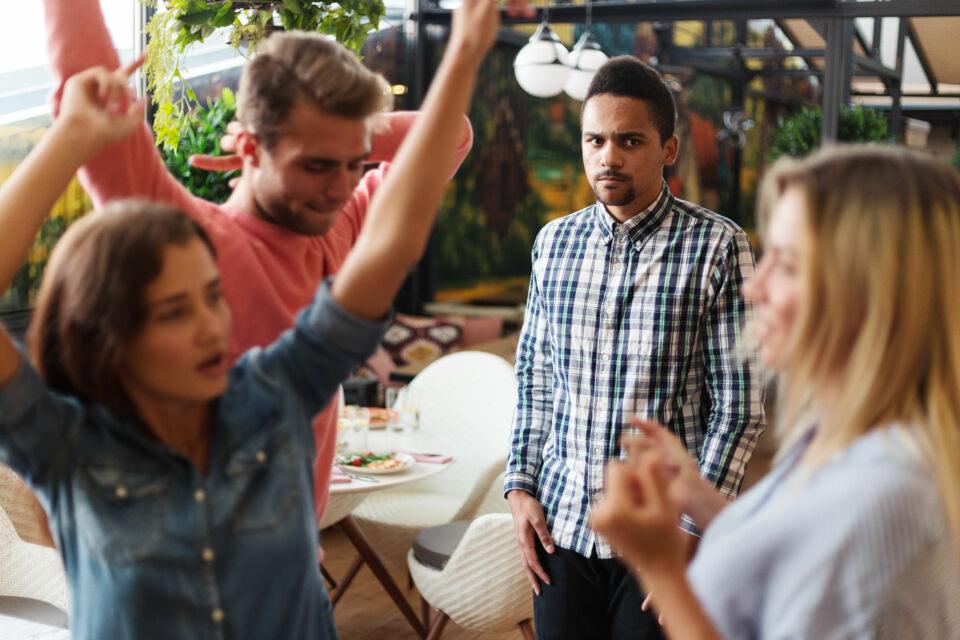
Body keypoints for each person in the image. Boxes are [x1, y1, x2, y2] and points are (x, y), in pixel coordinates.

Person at [0, 0, 502, 636]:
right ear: (249, 145)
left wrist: (337, 136)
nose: (340, 184)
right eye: (317, 164)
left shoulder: (334, 249)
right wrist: (70, 136)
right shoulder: (179, 239)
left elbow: (449, 139)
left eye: (354, 164)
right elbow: (88, 81)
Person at [591, 145, 960, 639]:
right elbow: (796, 560)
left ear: (871, 295)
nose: (752, 289)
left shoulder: (883, 499)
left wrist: (659, 566)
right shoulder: (847, 438)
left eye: (786, 265)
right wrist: (696, 494)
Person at [504, 55, 765, 639]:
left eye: (629, 140)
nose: (608, 157)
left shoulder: (718, 247)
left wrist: (695, 531)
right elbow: (534, 377)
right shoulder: (554, 243)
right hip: (563, 529)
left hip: (660, 534)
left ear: (668, 149)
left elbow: (739, 409)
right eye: (594, 140)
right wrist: (520, 486)